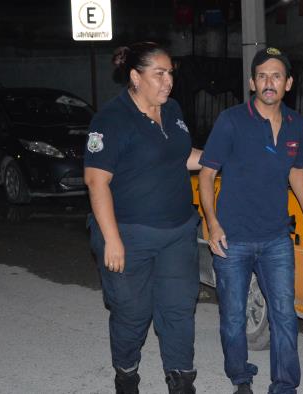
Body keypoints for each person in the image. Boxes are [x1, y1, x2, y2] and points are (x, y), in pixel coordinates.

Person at [198, 47, 303, 394]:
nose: (269, 82)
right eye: (263, 76)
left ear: (288, 83)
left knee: (284, 314)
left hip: (276, 238)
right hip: (232, 237)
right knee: (233, 318)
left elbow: (296, 173)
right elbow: (207, 174)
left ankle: (284, 384)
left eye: (277, 76)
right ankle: (240, 377)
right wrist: (213, 223)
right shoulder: (232, 120)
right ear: (252, 82)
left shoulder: (297, 123)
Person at [84, 42, 203, 394]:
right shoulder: (111, 120)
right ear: (135, 77)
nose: (168, 82)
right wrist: (112, 240)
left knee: (179, 309)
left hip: (178, 231)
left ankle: (181, 381)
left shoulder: (173, 110)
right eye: (159, 74)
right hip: (129, 234)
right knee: (132, 313)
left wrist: (221, 158)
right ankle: (126, 373)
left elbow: (181, 155)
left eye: (170, 74)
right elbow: (96, 180)